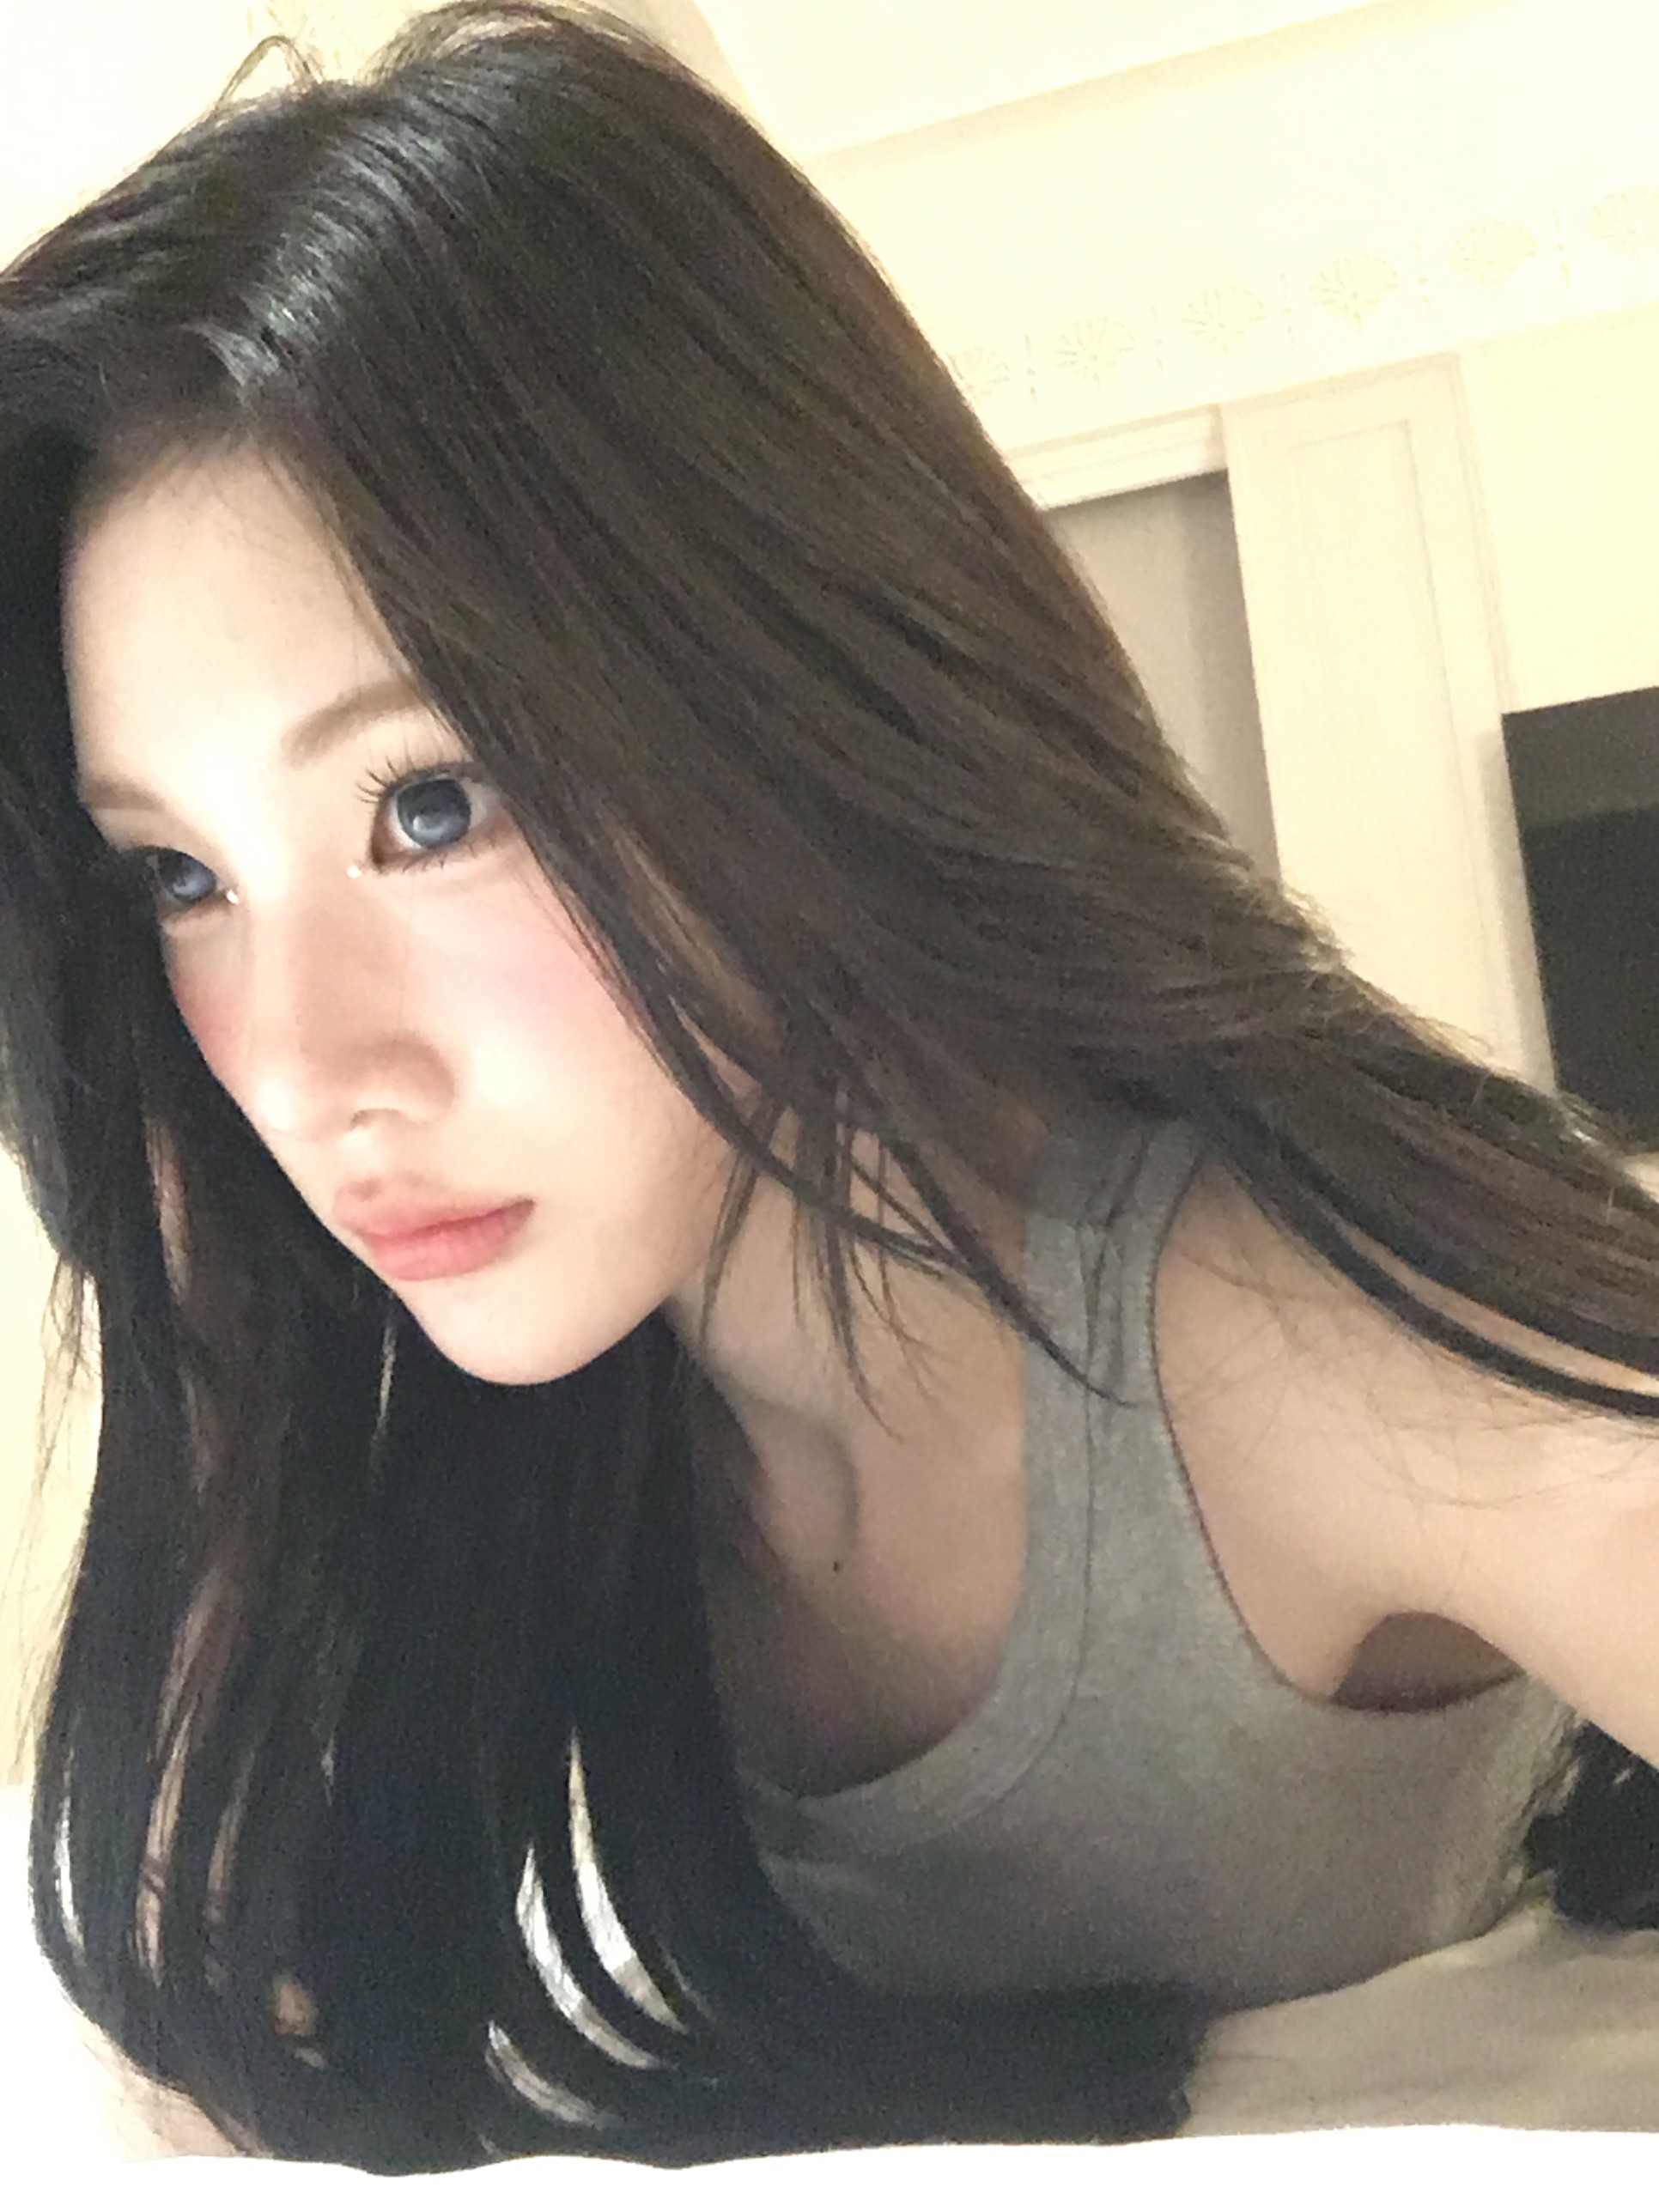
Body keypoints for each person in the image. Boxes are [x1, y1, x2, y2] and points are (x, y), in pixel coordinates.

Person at [2, 0, 1658, 2177]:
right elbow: (238, 2022)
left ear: (779, 677)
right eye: (180, 877)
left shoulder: (1281, 1342)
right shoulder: (543, 1417)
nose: (303, 1066)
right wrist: (220, 1354)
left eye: (433, 804)